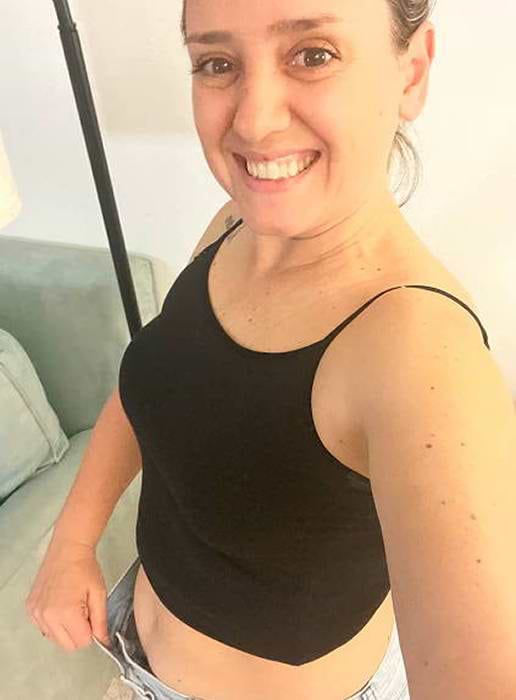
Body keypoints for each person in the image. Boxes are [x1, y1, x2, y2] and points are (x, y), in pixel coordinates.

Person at [27, 2, 510, 700]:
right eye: (217, 62)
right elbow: (157, 387)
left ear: (411, 71)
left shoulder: (421, 354)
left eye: (313, 54)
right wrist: (73, 541)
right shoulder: (236, 224)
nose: (253, 122)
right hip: (138, 646)